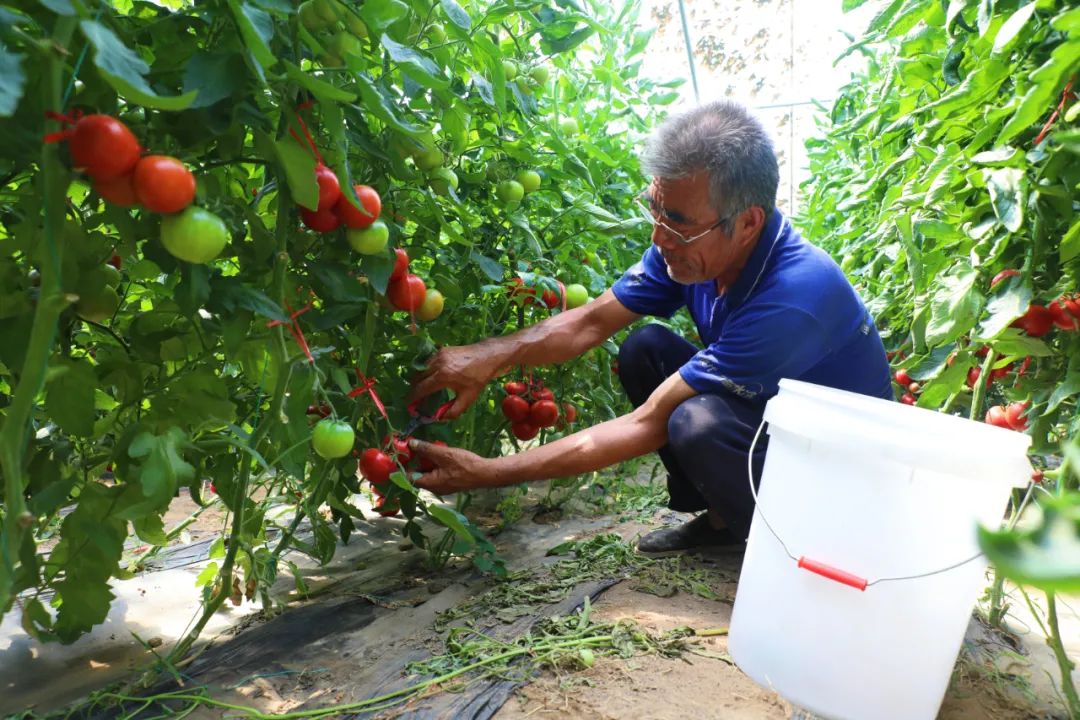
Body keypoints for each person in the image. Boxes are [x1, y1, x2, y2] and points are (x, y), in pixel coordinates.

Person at [406, 100, 892, 554]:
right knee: (646, 348)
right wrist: (489, 355)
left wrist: (490, 472)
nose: (660, 238)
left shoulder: (794, 297)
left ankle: (785, 549)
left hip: (838, 476)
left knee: (694, 422)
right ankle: (725, 520)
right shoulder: (690, 250)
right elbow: (591, 322)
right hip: (779, 422)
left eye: (678, 224)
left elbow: (648, 423)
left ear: (747, 224)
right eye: (655, 211)